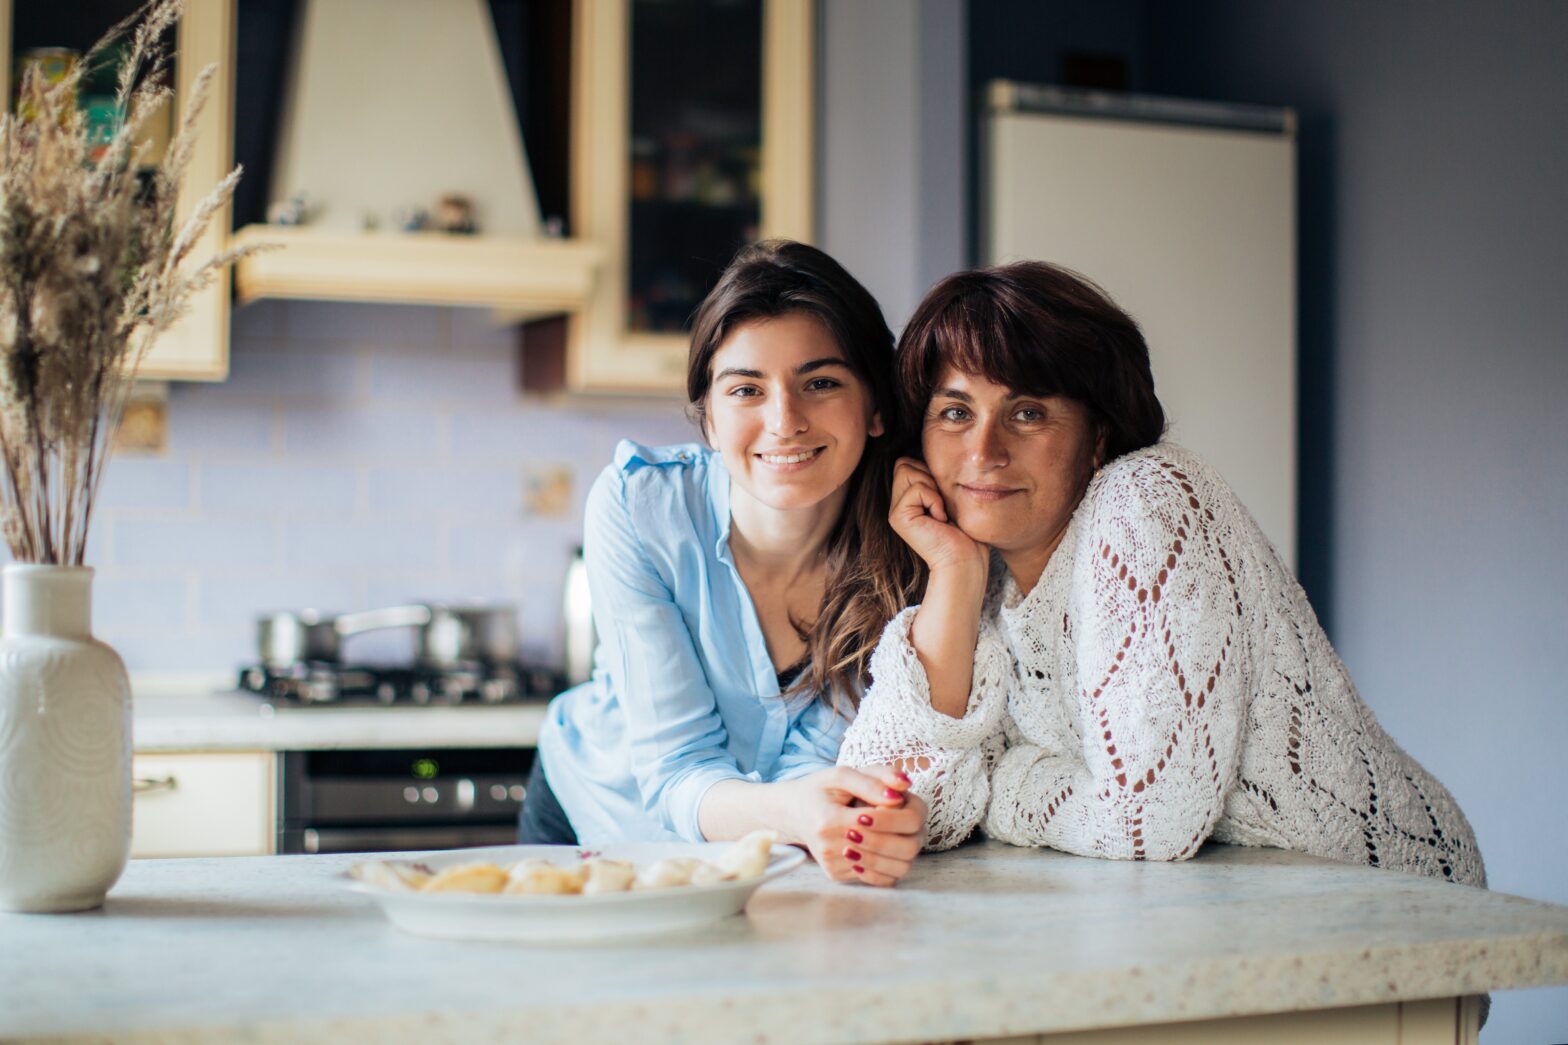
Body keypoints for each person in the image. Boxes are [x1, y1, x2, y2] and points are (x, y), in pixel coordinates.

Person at [839, 261, 1484, 887]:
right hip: (1236, 911)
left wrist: (1003, 783)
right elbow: (882, 808)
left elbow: (1149, 823)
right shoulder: (983, 578)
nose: (984, 451)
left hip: (1389, 891)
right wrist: (953, 574)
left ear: (1097, 438)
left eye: (1028, 412)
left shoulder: (1145, 500)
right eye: (955, 413)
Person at [527, 240, 928, 887]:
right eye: (746, 389)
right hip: (601, 819)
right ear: (708, 418)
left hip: (776, 852)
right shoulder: (640, 506)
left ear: (875, 406)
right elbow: (676, 766)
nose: (784, 421)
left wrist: (835, 812)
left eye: (820, 382)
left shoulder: (911, 548)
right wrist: (798, 810)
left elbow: (831, 769)